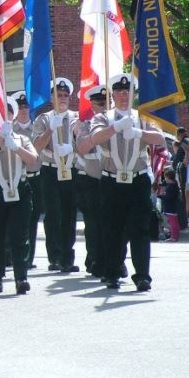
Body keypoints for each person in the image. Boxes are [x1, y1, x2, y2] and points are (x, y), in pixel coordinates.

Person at [89, 73, 165, 291]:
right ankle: (112, 273)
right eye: (120, 91)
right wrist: (116, 127)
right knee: (112, 229)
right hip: (112, 181)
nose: (124, 95)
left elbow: (160, 139)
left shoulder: (143, 116)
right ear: (113, 94)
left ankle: (142, 276)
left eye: (128, 91)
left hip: (137, 179)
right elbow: (95, 138)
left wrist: (138, 131)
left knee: (139, 229)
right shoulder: (103, 117)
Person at [0, 98, 40, 293]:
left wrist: (15, 146)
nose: (4, 117)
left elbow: (33, 160)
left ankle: (21, 277)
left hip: (20, 190)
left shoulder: (23, 139)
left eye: (7, 113)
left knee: (19, 236)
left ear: (13, 117)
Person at [32, 77, 79, 272]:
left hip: (71, 168)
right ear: (51, 98)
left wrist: (71, 147)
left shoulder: (76, 118)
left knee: (69, 213)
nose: (62, 98)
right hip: (50, 169)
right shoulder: (43, 119)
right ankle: (55, 256)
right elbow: (36, 147)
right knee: (53, 214)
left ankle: (68, 256)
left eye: (65, 95)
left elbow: (84, 142)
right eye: (58, 95)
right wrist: (51, 128)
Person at [74, 84, 108, 277]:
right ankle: (95, 259)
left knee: (113, 222)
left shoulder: (114, 122)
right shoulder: (85, 126)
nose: (103, 106)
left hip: (110, 177)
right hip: (91, 178)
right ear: (92, 105)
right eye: (99, 103)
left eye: (105, 103)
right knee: (94, 223)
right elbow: (82, 148)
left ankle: (114, 260)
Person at [10, 90, 42, 269]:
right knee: (12, 220)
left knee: (32, 219)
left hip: (34, 177)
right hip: (14, 177)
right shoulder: (10, 129)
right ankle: (9, 255)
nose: (23, 109)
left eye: (26, 106)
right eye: (20, 106)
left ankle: (28, 258)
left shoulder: (36, 127)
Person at [158, 168, 181, 242]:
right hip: (173, 206)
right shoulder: (174, 185)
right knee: (174, 221)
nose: (165, 179)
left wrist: (160, 196)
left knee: (172, 222)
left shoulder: (171, 186)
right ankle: (175, 236)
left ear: (168, 177)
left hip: (170, 206)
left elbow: (168, 197)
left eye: (165, 177)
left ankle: (173, 236)